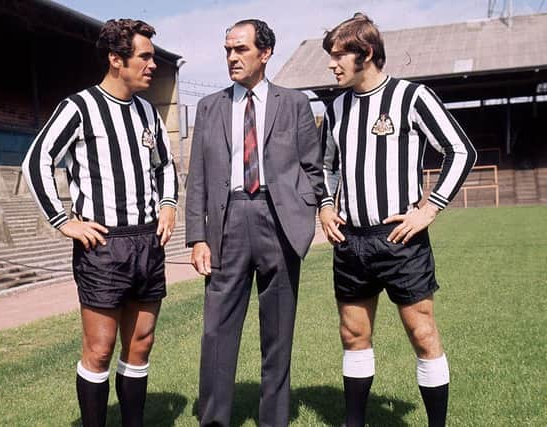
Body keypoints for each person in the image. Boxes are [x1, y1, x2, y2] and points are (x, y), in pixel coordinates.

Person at [318, 13, 477, 427]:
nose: (332, 65)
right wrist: (326, 205)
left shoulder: (412, 97)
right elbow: (325, 167)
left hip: (400, 240)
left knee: (423, 335)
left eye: (338, 56)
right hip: (350, 241)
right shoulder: (335, 109)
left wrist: (430, 208)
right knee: (353, 337)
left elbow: (460, 150)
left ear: (365, 54)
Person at [21, 18, 178, 427]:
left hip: (148, 242)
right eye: (144, 57)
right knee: (100, 349)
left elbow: (166, 165)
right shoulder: (79, 107)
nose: (152, 65)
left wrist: (167, 204)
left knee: (141, 344)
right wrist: (63, 220)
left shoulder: (147, 111)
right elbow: (37, 160)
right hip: (104, 246)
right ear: (115, 59)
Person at [185, 18, 326, 427]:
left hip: (279, 221)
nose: (232, 57)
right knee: (216, 332)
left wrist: (303, 213)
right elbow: (196, 177)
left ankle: (274, 420)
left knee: (278, 335)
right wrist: (197, 236)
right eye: (228, 49)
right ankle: (214, 420)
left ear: (265, 53)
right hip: (226, 222)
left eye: (241, 49)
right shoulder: (209, 106)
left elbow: (312, 168)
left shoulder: (295, 103)